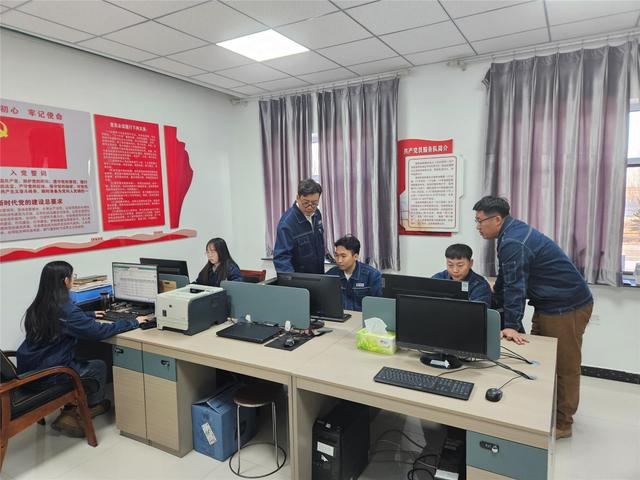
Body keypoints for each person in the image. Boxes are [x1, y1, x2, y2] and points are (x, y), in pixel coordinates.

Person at [473, 196, 593, 439]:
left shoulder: (513, 241)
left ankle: (563, 423)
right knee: (540, 362)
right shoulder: (509, 234)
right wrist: (496, 299)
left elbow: (516, 286)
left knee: (564, 366)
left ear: (497, 219)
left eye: (480, 221)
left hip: (566, 306)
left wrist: (511, 326)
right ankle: (542, 414)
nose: (477, 227)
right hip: (548, 304)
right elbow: (507, 276)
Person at [16, 260, 147, 437]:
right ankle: (89, 407)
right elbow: (99, 332)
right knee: (99, 366)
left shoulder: (37, 306)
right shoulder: (67, 310)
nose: (72, 280)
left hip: (29, 371)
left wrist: (88, 315)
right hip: (51, 374)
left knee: (85, 357)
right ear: (65, 281)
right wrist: (133, 322)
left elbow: (62, 320)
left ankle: (72, 407)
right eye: (72, 277)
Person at [273, 179, 325, 273]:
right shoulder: (287, 224)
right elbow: (282, 259)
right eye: (306, 202)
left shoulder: (317, 214)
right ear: (298, 197)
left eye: (314, 203)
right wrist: (293, 281)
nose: (310, 207)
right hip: (300, 278)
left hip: (319, 274)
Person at [326, 235, 382, 312]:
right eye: (336, 255)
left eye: (343, 256)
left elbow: (378, 306)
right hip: (339, 316)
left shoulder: (372, 275)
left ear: (355, 256)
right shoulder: (331, 274)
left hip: (362, 317)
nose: (339, 260)